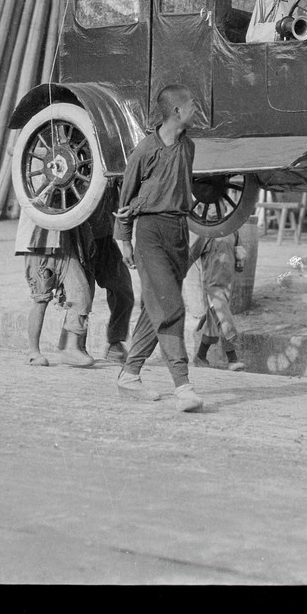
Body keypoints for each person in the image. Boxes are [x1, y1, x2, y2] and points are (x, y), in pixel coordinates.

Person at [113, 84, 204, 412]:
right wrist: (124, 239)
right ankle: (183, 386)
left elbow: (184, 189)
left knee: (156, 308)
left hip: (178, 234)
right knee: (171, 308)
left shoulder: (188, 146)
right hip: (149, 234)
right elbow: (125, 200)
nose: (196, 108)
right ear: (177, 112)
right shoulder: (145, 150)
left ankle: (129, 375)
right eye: (192, 104)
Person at [16, 211, 95, 368]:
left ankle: (71, 348)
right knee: (41, 298)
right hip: (38, 242)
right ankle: (33, 352)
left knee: (82, 293)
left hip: (65, 242)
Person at [81, 177, 134, 365]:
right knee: (80, 297)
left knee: (123, 290)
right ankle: (74, 346)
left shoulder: (113, 163)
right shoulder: (83, 159)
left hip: (105, 238)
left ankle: (115, 344)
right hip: (80, 240)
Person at [187, 231, 248, 371]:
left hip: (226, 284)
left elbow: (240, 250)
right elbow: (191, 255)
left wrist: (240, 261)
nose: (214, 211)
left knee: (214, 321)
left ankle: (200, 356)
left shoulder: (233, 230)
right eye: (211, 208)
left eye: (219, 207)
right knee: (223, 317)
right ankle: (232, 359)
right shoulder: (205, 234)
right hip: (212, 286)